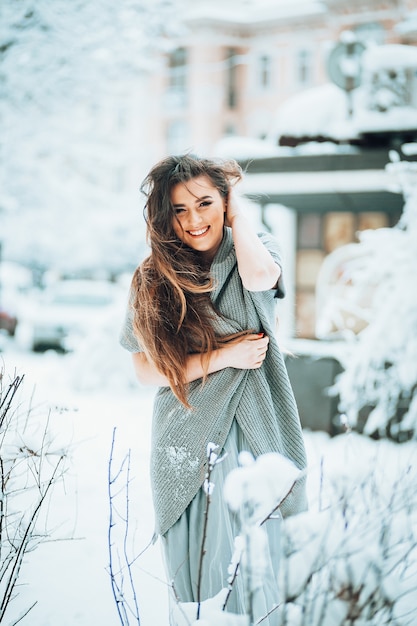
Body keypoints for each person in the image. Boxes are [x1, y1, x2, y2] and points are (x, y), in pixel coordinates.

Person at [120, 154, 307, 624]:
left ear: (225, 202)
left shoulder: (256, 247)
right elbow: (144, 370)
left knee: (267, 564)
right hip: (188, 431)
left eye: (205, 202)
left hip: (256, 421)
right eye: (179, 210)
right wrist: (224, 357)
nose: (194, 219)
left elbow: (262, 278)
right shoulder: (154, 276)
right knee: (202, 578)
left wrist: (236, 211)